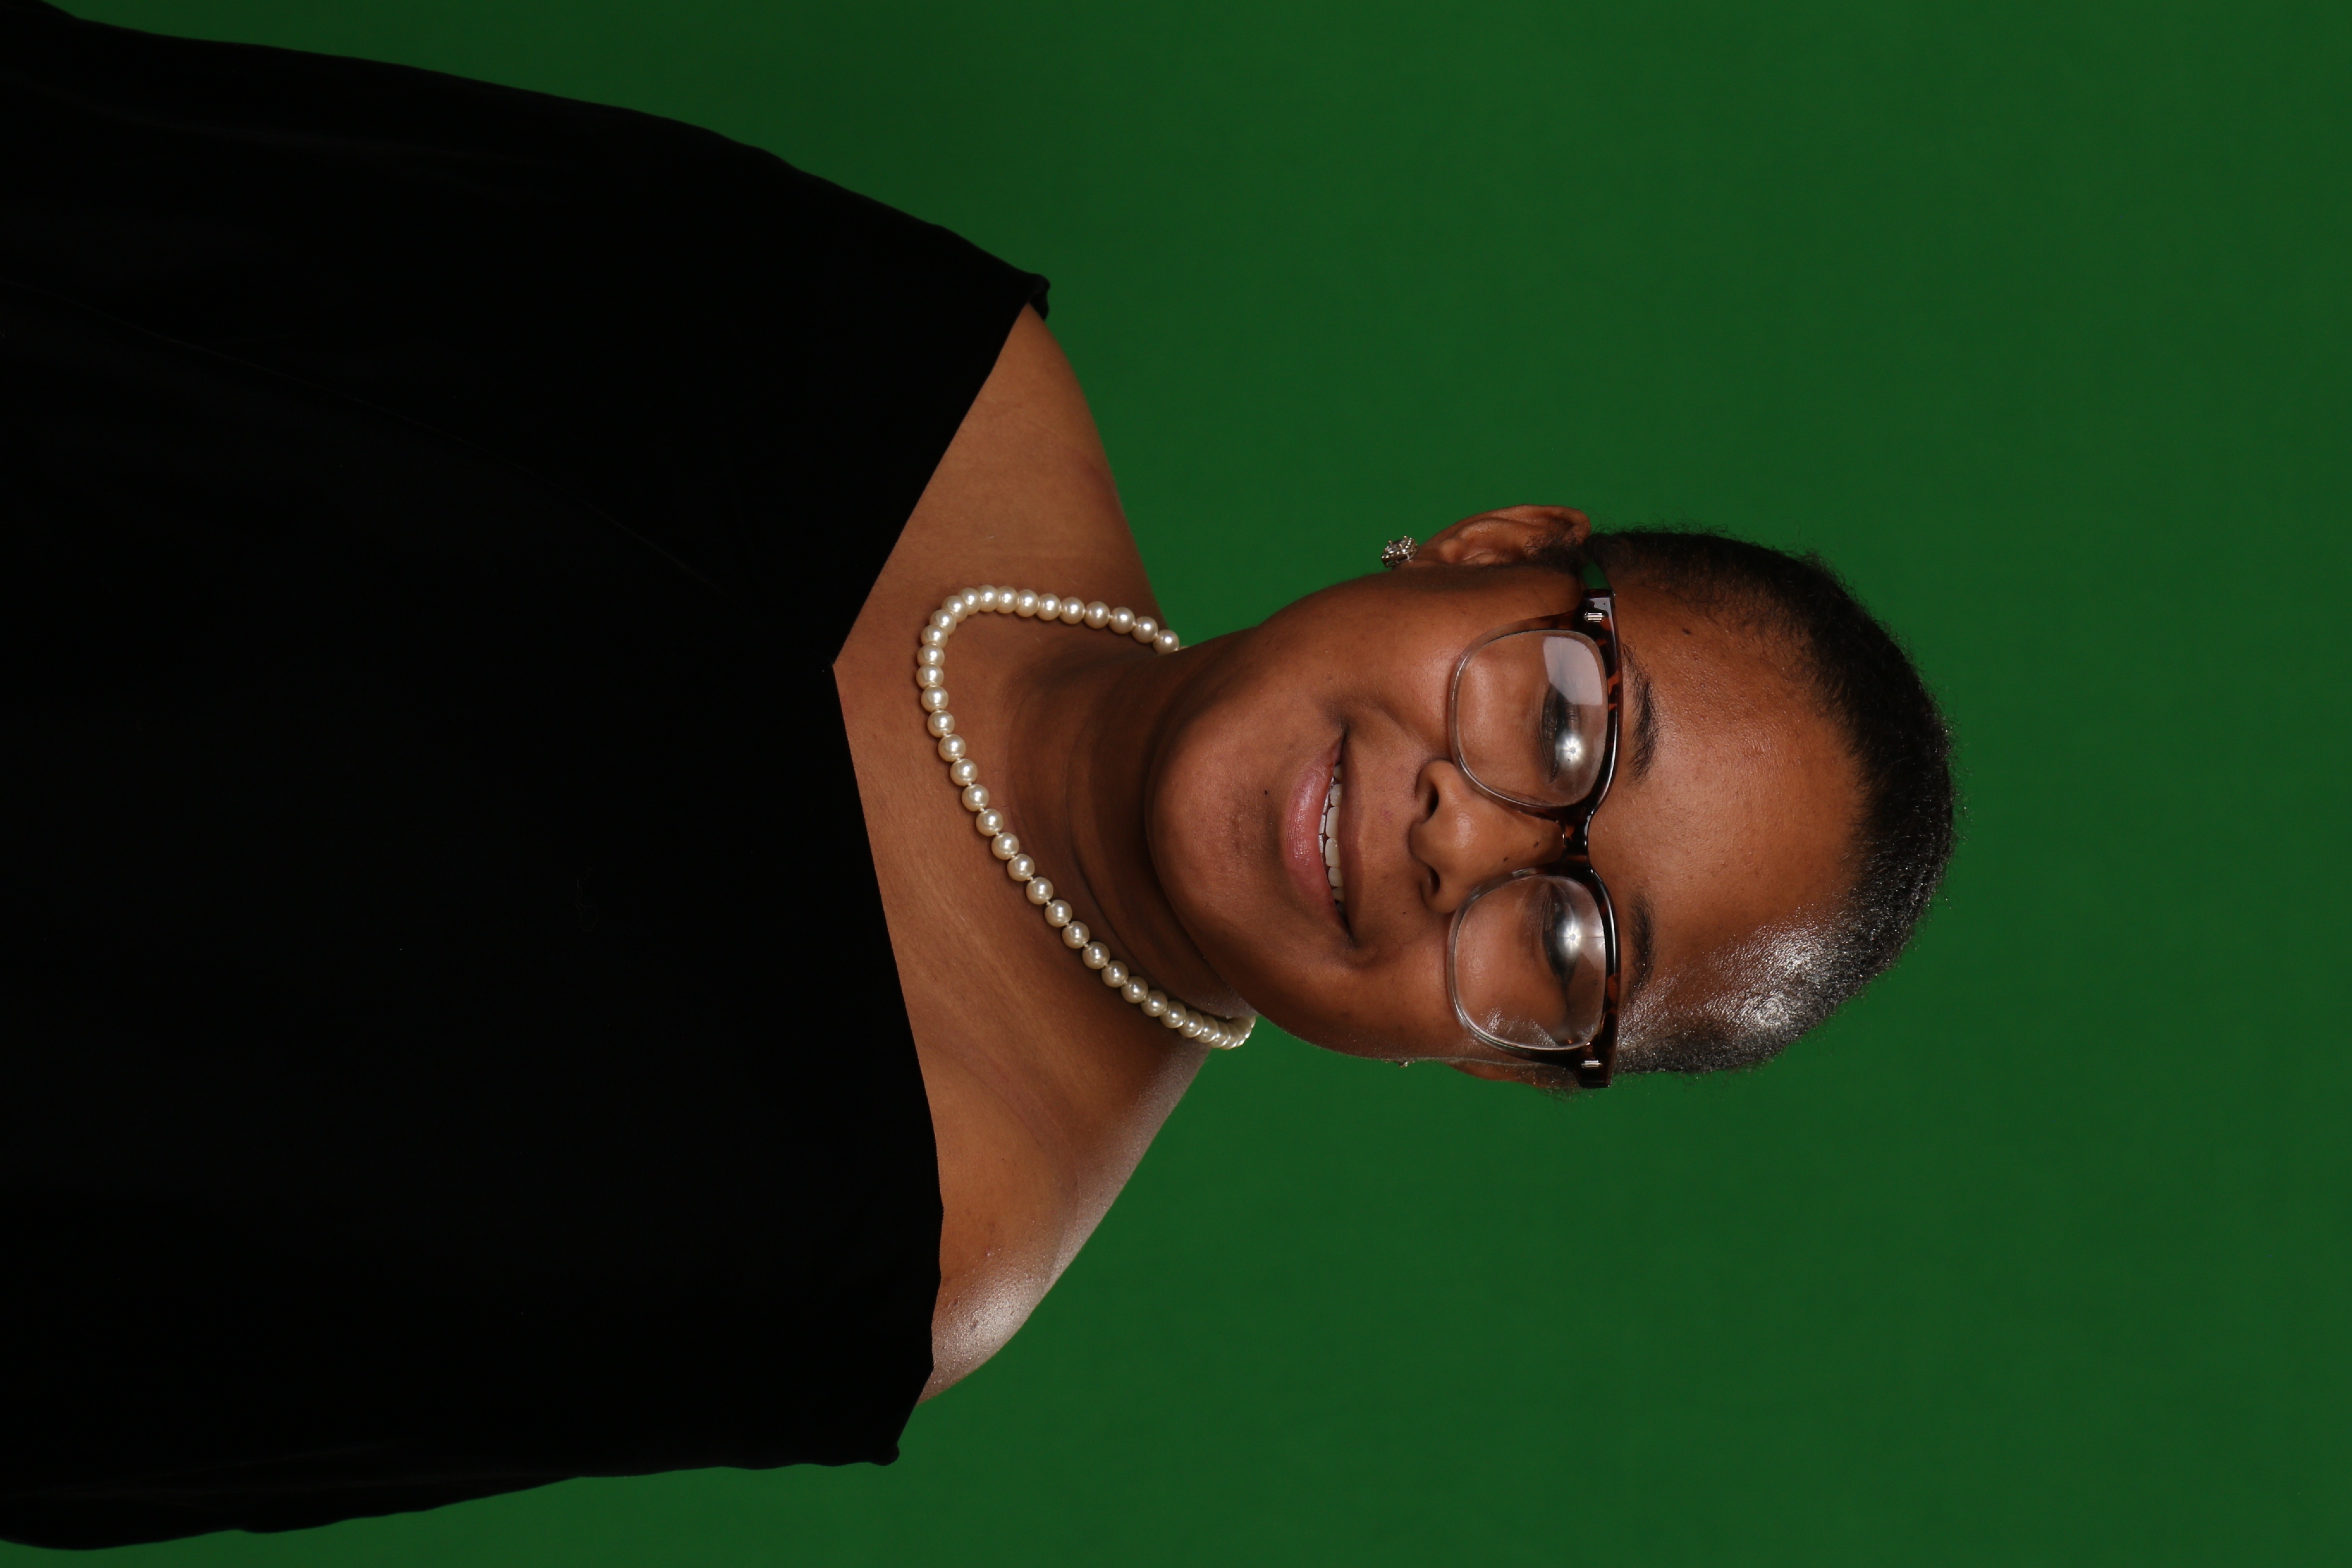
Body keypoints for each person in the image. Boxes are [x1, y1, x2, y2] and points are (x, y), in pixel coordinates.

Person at [0, 0, 1955, 1549]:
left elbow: (118, 1360)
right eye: (1568, 726)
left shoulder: (912, 1243)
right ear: (1489, 546)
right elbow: (150, 178)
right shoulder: (929, 378)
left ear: (1504, 1065)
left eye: (1573, 941)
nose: (1471, 839)